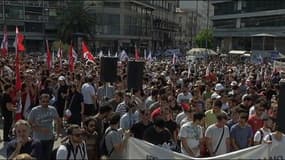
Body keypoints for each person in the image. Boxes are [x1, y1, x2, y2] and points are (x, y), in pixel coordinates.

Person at [28, 93, 61, 160]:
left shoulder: (52, 109)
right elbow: (28, 123)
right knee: (38, 157)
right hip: (38, 139)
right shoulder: (34, 110)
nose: (45, 103)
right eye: (43, 101)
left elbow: (58, 121)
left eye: (47, 101)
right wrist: (39, 129)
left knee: (47, 157)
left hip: (49, 138)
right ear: (39, 101)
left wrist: (57, 134)